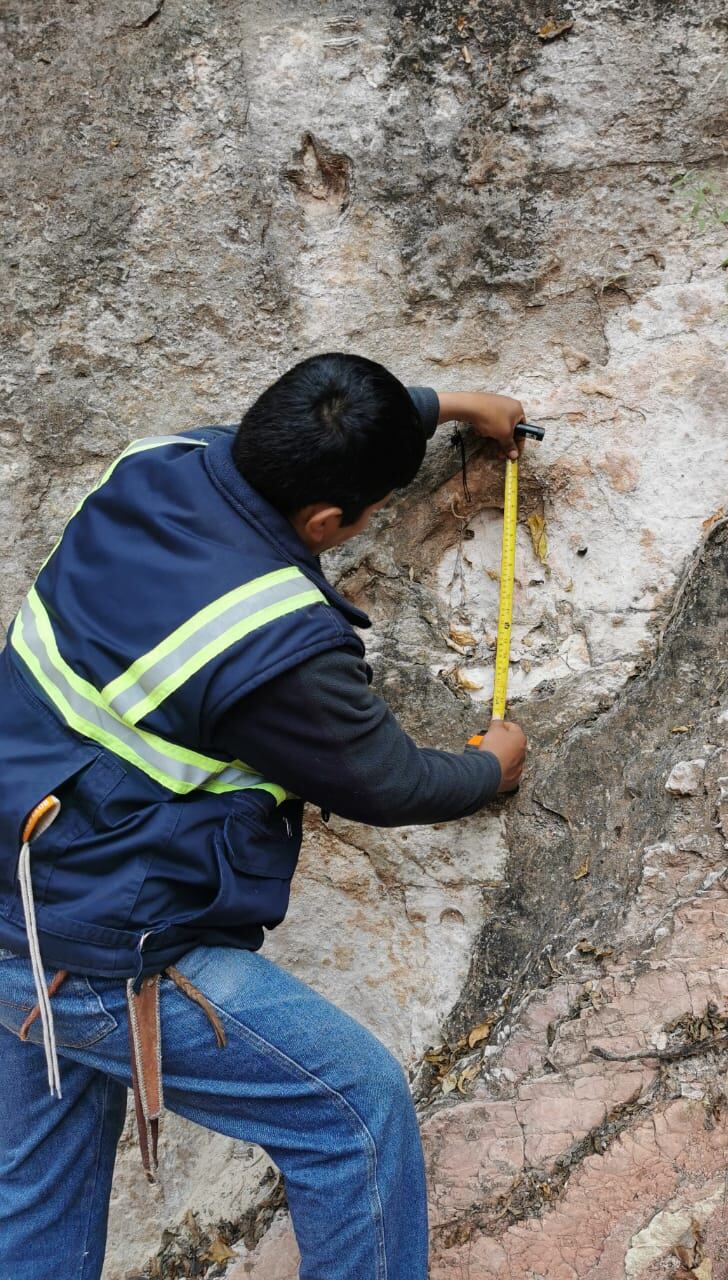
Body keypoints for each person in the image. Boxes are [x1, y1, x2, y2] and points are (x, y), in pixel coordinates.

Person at [0, 353, 528, 1280]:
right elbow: (386, 782)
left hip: (17, 896)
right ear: (329, 523)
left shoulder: (156, 463)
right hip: (95, 954)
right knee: (352, 1114)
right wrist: (488, 766)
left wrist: (451, 405)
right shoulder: (274, 642)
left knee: (36, 1205)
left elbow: (299, 431)